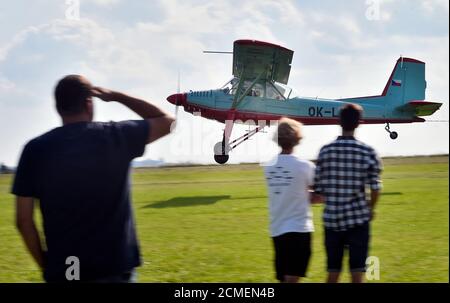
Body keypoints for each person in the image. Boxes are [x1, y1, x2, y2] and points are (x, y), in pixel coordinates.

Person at [12, 75, 174, 282]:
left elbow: (23, 221)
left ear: (58, 107)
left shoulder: (35, 149)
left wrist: (48, 266)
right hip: (115, 268)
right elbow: (169, 122)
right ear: (89, 103)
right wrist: (116, 96)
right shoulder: (117, 135)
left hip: (67, 270)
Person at [313, 103, 382, 283]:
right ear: (359, 123)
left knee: (333, 272)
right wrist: (371, 208)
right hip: (358, 221)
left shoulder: (325, 151)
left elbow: (318, 189)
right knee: (357, 273)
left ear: (339, 121)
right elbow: (375, 188)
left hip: (332, 221)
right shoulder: (367, 152)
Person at [264, 117, 317, 283]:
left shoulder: (268, 167)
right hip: (299, 229)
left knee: (285, 277)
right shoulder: (305, 166)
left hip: (277, 229)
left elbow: (285, 191)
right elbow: (317, 196)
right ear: (297, 139)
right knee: (293, 278)